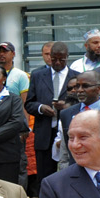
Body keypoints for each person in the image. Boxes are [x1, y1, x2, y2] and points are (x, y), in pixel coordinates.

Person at [24, 41, 76, 187]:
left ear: (67, 57)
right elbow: (29, 103)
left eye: (62, 59)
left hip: (68, 132)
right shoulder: (37, 75)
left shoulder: (77, 77)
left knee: (68, 173)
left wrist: (66, 107)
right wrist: (41, 108)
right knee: (45, 176)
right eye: (54, 59)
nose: (58, 62)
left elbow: (82, 103)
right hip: (44, 131)